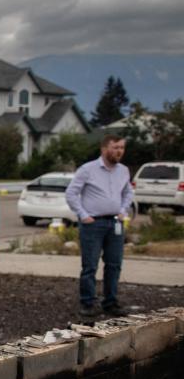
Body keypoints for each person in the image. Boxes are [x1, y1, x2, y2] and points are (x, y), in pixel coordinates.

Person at [65, 135, 133, 317]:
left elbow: (128, 192)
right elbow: (71, 193)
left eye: (122, 147)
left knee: (114, 264)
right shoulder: (88, 169)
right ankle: (88, 303)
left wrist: (123, 210)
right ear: (104, 149)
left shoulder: (123, 171)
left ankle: (110, 302)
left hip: (115, 223)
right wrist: (83, 214)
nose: (119, 151)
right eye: (115, 147)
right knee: (90, 266)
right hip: (93, 224)